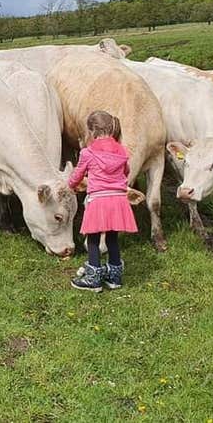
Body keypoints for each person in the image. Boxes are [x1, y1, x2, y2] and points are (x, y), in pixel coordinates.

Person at [67, 111, 138, 292]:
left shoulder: (88, 152)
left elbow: (78, 174)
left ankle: (93, 279)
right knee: (112, 238)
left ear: (92, 131)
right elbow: (126, 171)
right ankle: (114, 277)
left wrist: (71, 185)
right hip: (118, 200)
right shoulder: (121, 150)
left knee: (93, 238)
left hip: (98, 200)